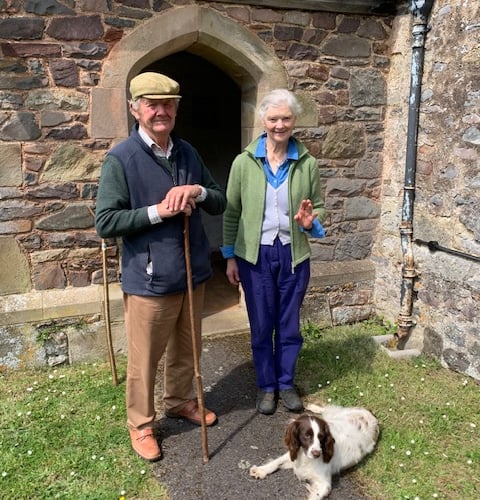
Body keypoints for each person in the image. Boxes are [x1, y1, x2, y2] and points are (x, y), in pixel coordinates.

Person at [95, 72, 226, 462]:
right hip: (149, 278)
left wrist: (198, 191)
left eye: (167, 104)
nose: (160, 111)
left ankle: (179, 401)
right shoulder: (122, 159)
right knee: (144, 358)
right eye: (152, 104)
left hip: (192, 270)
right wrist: (157, 212)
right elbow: (106, 222)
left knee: (188, 347)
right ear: (135, 109)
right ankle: (141, 423)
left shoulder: (187, 152)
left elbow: (218, 199)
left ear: (176, 109)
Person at [221, 89, 326, 415]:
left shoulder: (307, 164)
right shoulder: (243, 162)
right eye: (273, 118)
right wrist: (229, 256)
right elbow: (231, 212)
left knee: (290, 324)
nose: (279, 125)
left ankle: (285, 382)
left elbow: (317, 209)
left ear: (294, 121)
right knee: (262, 324)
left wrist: (310, 223)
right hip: (256, 257)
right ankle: (266, 386)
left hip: (294, 256)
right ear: (263, 120)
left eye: (286, 118)